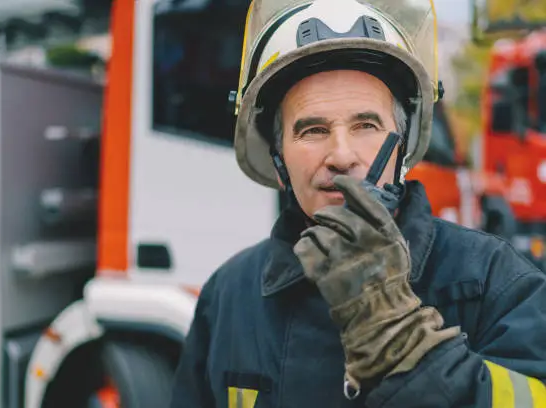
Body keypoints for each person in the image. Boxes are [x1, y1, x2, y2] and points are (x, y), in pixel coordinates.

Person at [169, 0, 546, 406]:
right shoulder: (228, 295)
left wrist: (404, 344)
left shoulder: (494, 282)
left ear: (402, 149)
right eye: (312, 130)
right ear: (279, 161)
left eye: (366, 125)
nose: (341, 155)